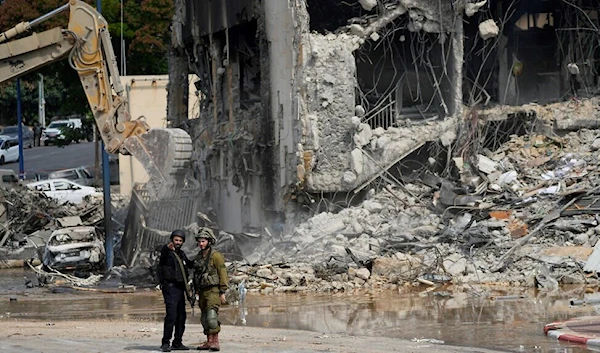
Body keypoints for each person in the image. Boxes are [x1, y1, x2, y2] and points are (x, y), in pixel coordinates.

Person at [157, 229, 193, 352]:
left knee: (181, 316)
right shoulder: (167, 252)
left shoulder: (181, 254)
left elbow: (190, 264)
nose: (177, 242)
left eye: (180, 240)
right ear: (172, 240)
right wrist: (168, 248)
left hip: (179, 288)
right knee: (171, 316)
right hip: (170, 288)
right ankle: (165, 343)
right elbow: (163, 252)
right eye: (176, 240)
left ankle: (177, 342)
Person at [193, 227, 229, 351]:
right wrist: (195, 289)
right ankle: (209, 341)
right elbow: (196, 274)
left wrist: (223, 291)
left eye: (203, 241)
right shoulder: (199, 256)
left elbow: (223, 273)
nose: (200, 244)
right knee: (204, 319)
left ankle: (216, 342)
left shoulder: (216, 256)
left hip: (213, 290)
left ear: (209, 241)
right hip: (202, 291)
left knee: (212, 317)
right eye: (199, 241)